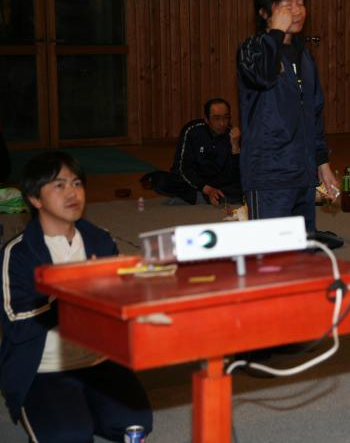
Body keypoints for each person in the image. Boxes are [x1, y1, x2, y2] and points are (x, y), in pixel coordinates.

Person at [0, 151, 152, 441]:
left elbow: (120, 305)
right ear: (35, 199)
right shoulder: (18, 253)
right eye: (59, 185)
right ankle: (68, 412)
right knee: (69, 437)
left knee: (136, 425)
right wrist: (68, 299)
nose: (72, 192)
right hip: (46, 367)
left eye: (77, 183)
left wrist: (132, 284)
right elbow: (16, 325)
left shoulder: (100, 240)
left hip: (97, 360)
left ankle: (81, 408)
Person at [237, 0, 338, 233]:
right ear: (264, 12)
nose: (297, 10)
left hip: (303, 174)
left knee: (302, 250)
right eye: (286, 4)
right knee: (271, 251)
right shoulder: (252, 50)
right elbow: (262, 75)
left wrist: (322, 164)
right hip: (269, 175)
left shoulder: (305, 57)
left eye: (300, 2)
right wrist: (276, 33)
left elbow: (314, 113)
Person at [145, 97, 242, 206]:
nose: (222, 123)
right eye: (217, 118)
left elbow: (236, 175)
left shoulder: (234, 135)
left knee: (247, 186)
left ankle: (197, 198)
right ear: (206, 119)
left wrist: (235, 147)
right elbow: (182, 168)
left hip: (221, 183)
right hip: (197, 182)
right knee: (158, 180)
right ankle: (208, 197)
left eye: (226, 118)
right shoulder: (192, 131)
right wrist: (208, 190)